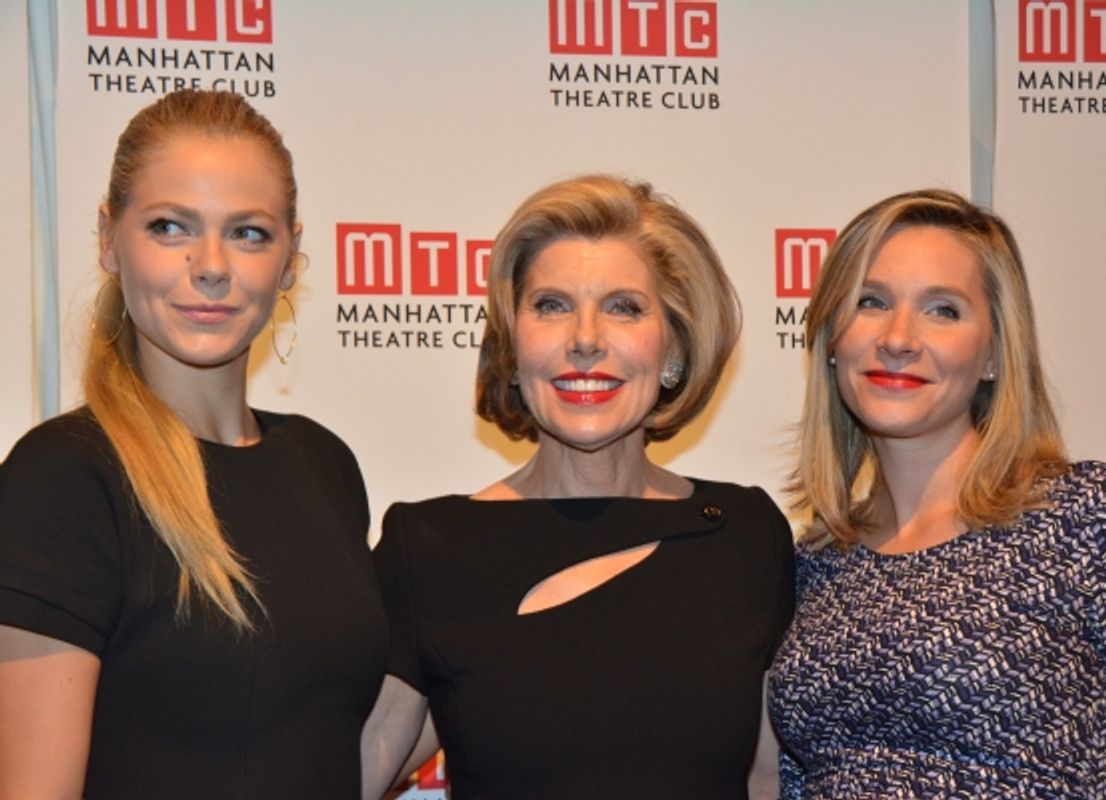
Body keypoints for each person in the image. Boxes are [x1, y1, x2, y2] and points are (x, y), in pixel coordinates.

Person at [0, 90, 386, 799]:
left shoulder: (324, 465)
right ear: (109, 240)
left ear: (290, 259)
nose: (211, 265)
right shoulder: (63, 478)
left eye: (249, 233)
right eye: (170, 226)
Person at [363, 174, 795, 799]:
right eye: (551, 305)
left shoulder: (745, 535)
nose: (586, 339)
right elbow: (349, 771)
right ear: (513, 346)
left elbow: (767, 781)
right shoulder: (429, 547)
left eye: (624, 307)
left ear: (673, 347)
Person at [768, 188, 1106, 798]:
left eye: (942, 310)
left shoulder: (1092, 518)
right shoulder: (816, 562)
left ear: (994, 353)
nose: (898, 337)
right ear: (832, 341)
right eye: (871, 301)